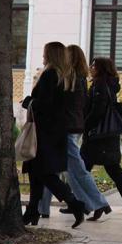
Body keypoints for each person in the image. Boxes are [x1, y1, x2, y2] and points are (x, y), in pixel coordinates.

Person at [38, 45, 113, 221]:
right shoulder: (77, 78)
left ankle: (97, 202)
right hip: (71, 127)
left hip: (66, 128)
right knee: (57, 170)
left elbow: (61, 104)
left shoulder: (71, 77)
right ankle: (44, 208)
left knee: (73, 170)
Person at [20, 42, 87, 228]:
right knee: (37, 173)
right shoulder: (67, 76)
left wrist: (28, 102)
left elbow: (45, 104)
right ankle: (32, 211)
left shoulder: (50, 74)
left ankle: (74, 203)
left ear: (51, 54)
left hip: (45, 132)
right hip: (56, 131)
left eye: (45, 52)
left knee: (44, 173)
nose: (42, 55)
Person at [80, 57, 122, 214]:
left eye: (94, 65)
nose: (90, 67)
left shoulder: (100, 85)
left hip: (98, 135)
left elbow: (98, 110)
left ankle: (81, 203)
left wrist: (86, 126)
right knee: (108, 168)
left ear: (101, 68)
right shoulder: (108, 83)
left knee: (82, 168)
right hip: (106, 135)